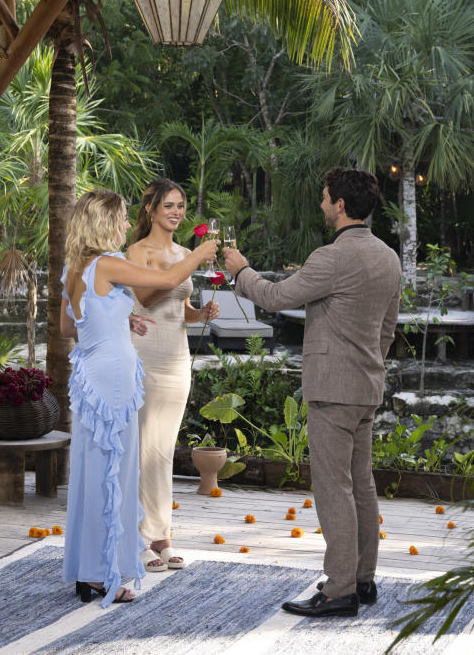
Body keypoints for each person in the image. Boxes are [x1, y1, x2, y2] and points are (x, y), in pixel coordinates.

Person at [224, 167, 401, 618]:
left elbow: (276, 297)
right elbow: (387, 329)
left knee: (332, 487)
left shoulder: (332, 257)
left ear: (340, 205)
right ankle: (362, 580)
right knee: (360, 483)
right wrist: (369, 366)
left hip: (333, 389)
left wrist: (241, 271)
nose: (322, 204)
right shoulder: (387, 257)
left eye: (325, 198)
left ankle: (339, 589)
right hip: (366, 385)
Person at [60, 189, 219, 606]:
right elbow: (167, 281)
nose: (126, 225)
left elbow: (67, 325)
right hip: (114, 379)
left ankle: (88, 571)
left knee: (94, 471)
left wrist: (117, 316)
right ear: (103, 222)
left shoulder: (75, 268)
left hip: (89, 376)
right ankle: (103, 575)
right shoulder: (108, 263)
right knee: (115, 473)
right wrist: (201, 252)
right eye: (121, 218)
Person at [126, 179, 220, 573]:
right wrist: (195, 259)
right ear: (150, 209)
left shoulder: (183, 252)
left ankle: (162, 534)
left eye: (180, 205)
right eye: (169, 205)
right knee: (142, 448)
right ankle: (137, 537)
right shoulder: (138, 251)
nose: (177, 212)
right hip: (144, 355)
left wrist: (199, 315)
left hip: (177, 358)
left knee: (163, 450)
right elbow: (146, 297)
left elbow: (179, 305)